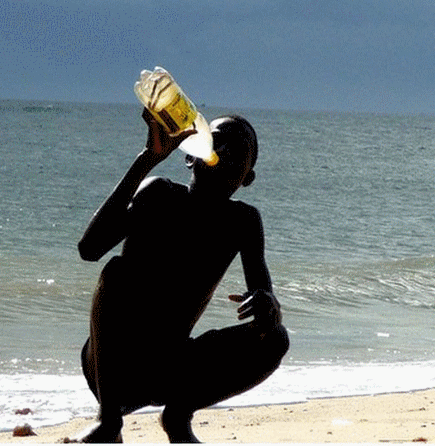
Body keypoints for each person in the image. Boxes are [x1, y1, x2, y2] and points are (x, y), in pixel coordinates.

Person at [76, 109, 289, 443]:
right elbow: (89, 248)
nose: (225, 154)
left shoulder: (243, 221)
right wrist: (147, 159)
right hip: (113, 369)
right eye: (217, 145)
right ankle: (109, 420)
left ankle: (177, 416)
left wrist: (268, 305)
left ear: (248, 177)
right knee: (115, 271)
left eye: (238, 152)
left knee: (275, 338)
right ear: (191, 156)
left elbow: (263, 295)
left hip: (171, 369)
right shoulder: (159, 194)